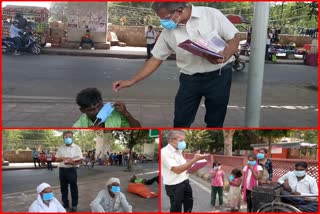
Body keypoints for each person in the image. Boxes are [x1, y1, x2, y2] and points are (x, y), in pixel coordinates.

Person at [113, 2, 240, 128]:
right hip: (189, 79)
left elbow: (234, 38)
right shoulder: (168, 31)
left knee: (215, 121)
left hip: (219, 76)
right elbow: (156, 58)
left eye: (166, 18)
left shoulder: (210, 15)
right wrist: (131, 81)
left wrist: (225, 55)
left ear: (179, 11)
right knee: (181, 120)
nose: (163, 22)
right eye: (160, 18)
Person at [161, 130, 209, 212]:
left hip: (185, 182)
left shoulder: (179, 151)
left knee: (189, 204)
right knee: (176, 209)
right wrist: (194, 160)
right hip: (174, 186)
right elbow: (177, 170)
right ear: (170, 140)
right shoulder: (165, 152)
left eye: (184, 140)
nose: (183, 143)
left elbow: (184, 168)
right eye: (181, 140)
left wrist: (194, 167)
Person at [73, 88, 141, 128]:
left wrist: (126, 113)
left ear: (102, 102)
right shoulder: (79, 126)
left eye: (99, 106)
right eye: (91, 110)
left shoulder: (115, 114)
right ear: (82, 110)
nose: (97, 111)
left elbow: (138, 127)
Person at [56, 131, 83, 212]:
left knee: (73, 188)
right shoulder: (60, 148)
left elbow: (80, 160)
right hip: (62, 170)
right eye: (66, 137)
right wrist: (62, 158)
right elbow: (57, 159)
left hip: (72, 169)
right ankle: (65, 203)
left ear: (72, 138)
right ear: (63, 138)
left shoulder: (77, 148)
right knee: (63, 188)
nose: (68, 139)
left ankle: (74, 205)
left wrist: (73, 162)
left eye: (70, 137)